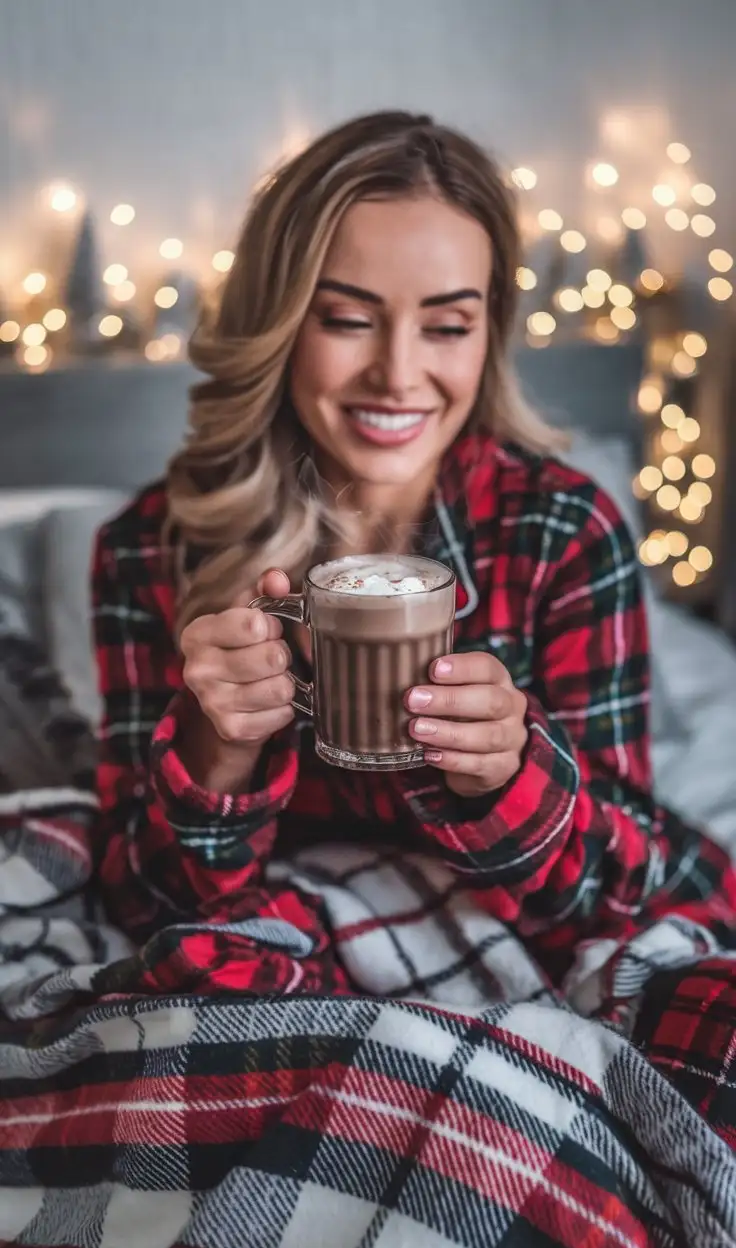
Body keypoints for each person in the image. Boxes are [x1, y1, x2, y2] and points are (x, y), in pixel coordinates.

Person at [92, 110, 734, 997]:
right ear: (280, 325)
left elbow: (610, 888)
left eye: (447, 326)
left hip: (513, 937)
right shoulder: (147, 550)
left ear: (489, 333)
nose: (398, 374)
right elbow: (140, 897)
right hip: (294, 947)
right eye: (350, 319)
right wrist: (214, 749)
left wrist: (510, 775)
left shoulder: (563, 531)